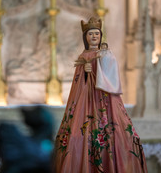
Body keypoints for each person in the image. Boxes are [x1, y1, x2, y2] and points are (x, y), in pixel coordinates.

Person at [54, 17, 147, 173]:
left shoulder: (106, 54)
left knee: (118, 135)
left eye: (96, 33)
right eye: (90, 34)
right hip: (86, 100)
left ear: (101, 35)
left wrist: (99, 67)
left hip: (105, 101)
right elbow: (78, 82)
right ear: (86, 37)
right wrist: (85, 72)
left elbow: (112, 76)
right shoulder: (82, 57)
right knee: (79, 136)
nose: (94, 37)